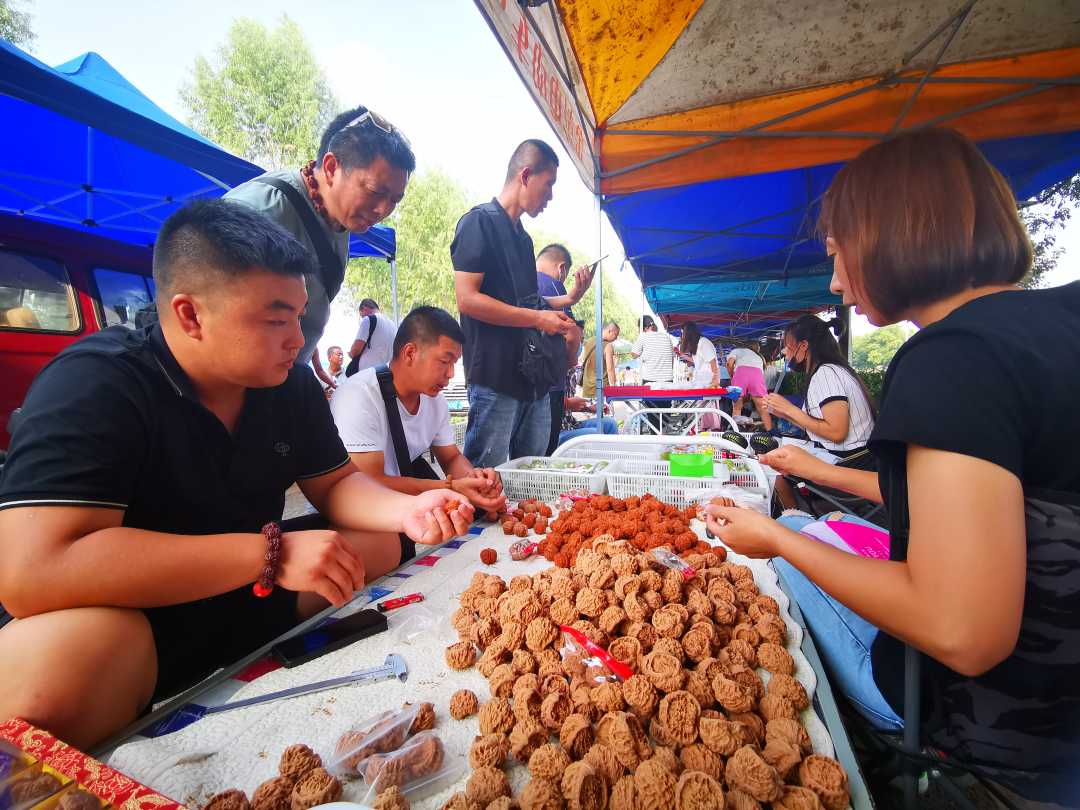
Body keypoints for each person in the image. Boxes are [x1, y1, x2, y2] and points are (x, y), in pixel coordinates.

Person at [0, 200, 470, 749]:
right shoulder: (96, 383)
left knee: (379, 540)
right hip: (142, 621)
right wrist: (267, 554)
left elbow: (337, 484)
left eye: (299, 316)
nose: (298, 339)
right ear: (189, 315)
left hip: (254, 592)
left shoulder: (289, 386)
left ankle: (263, 650)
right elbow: (33, 570)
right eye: (275, 319)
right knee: (59, 668)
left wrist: (409, 509)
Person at [706, 128, 1080, 807]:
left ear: (886, 237)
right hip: (1064, 724)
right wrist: (814, 471)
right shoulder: (1057, 322)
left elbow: (961, 631)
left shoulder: (952, 357)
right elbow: (961, 501)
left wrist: (775, 540)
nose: (834, 279)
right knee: (802, 521)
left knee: (781, 560)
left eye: (836, 251)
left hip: (982, 718)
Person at [226, 105, 415, 392]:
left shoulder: (341, 220)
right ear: (330, 167)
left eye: (394, 200)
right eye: (376, 192)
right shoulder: (260, 212)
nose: (382, 210)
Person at [452, 139, 574, 468]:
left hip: (531, 376)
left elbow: (527, 299)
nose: (550, 196)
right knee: (485, 474)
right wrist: (537, 319)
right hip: (493, 374)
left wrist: (570, 298)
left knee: (532, 473)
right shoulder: (478, 222)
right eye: (548, 185)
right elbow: (467, 299)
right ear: (525, 174)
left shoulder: (523, 238)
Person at [330, 306, 507, 529]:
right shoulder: (359, 395)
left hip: (400, 502)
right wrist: (450, 488)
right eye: (445, 361)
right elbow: (369, 483)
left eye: (454, 363)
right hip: (358, 511)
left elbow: (451, 457)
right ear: (410, 353)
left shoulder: (435, 400)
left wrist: (476, 481)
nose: (451, 373)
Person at [536, 244, 596, 455]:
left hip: (527, 381)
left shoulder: (524, 284)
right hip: (550, 383)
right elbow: (571, 333)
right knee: (547, 453)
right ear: (561, 268)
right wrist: (570, 361)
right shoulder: (552, 285)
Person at [630, 315, 675, 432]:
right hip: (667, 380)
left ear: (643, 328)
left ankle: (655, 437)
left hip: (651, 381)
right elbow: (672, 359)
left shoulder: (643, 337)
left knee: (652, 414)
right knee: (665, 413)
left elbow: (633, 354)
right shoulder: (667, 337)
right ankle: (664, 433)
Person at [726, 343, 773, 430]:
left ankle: (736, 432)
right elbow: (760, 374)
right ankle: (770, 432)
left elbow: (729, 363)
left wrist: (732, 376)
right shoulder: (759, 357)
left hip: (740, 373)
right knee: (762, 409)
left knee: (736, 407)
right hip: (757, 374)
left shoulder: (737, 350)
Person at [347, 298, 396, 375]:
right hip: (387, 373)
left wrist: (350, 353)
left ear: (364, 308)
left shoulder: (368, 319)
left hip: (369, 375)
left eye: (362, 315)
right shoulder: (393, 325)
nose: (362, 318)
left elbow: (356, 350)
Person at [581, 321, 619, 399]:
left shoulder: (589, 341)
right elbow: (610, 369)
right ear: (609, 331)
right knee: (603, 411)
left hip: (587, 388)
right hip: (601, 389)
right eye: (616, 334)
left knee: (589, 410)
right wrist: (614, 387)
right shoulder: (608, 346)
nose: (616, 338)